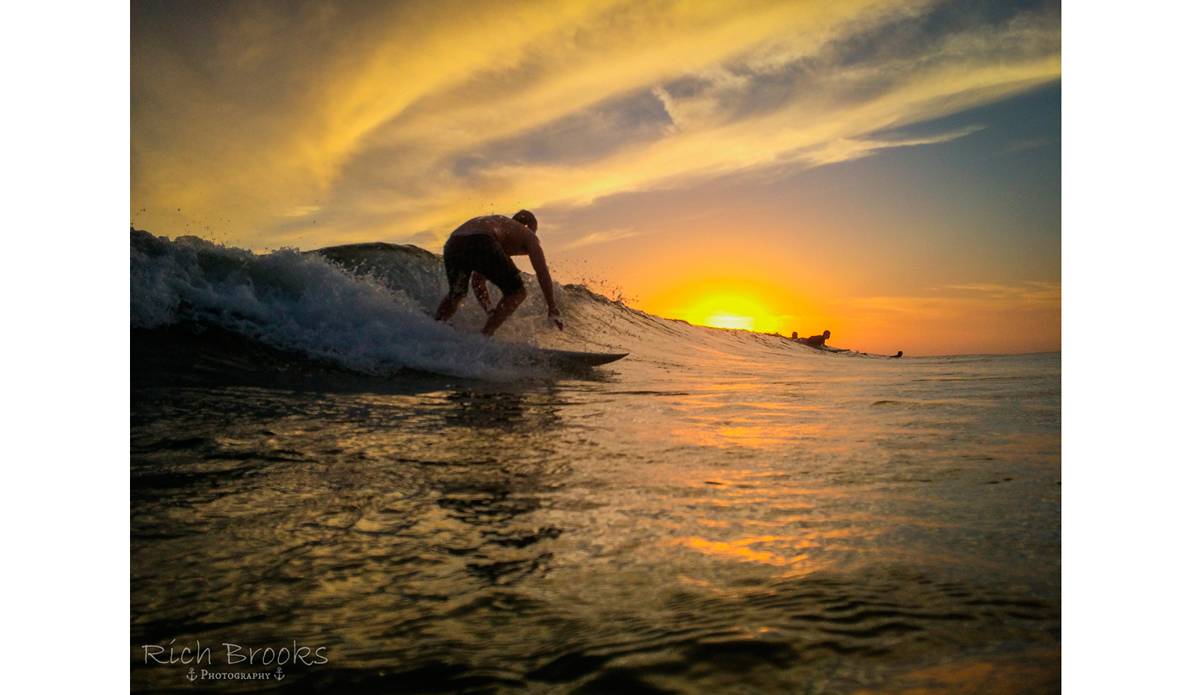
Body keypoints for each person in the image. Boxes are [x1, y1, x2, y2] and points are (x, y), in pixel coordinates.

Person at [434, 210, 563, 336]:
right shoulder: (529, 235)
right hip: (481, 238)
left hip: (453, 242)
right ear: (530, 227)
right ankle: (485, 336)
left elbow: (477, 282)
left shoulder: (502, 226)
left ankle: (434, 327)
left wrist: (490, 311)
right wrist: (552, 307)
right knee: (517, 292)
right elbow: (542, 272)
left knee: (457, 294)